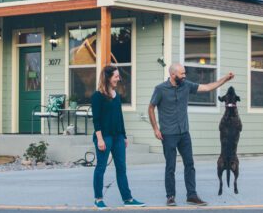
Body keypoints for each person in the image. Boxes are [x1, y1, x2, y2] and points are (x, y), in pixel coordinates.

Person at [148, 63, 234, 206]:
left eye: (184, 73)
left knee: (189, 164)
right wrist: (155, 129)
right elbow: (151, 108)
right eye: (182, 73)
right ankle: (170, 196)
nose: (184, 75)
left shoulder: (186, 85)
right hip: (168, 134)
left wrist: (224, 79)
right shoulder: (160, 89)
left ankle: (192, 195)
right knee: (171, 166)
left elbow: (207, 87)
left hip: (184, 133)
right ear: (173, 74)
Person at [91, 65, 145, 210]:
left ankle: (127, 198)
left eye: (118, 76)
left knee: (121, 168)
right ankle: (98, 199)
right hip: (105, 137)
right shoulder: (97, 96)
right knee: (101, 167)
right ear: (108, 77)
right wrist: (100, 139)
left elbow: (120, 117)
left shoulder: (116, 95)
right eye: (116, 76)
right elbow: (96, 120)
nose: (118, 78)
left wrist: (124, 135)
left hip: (118, 137)